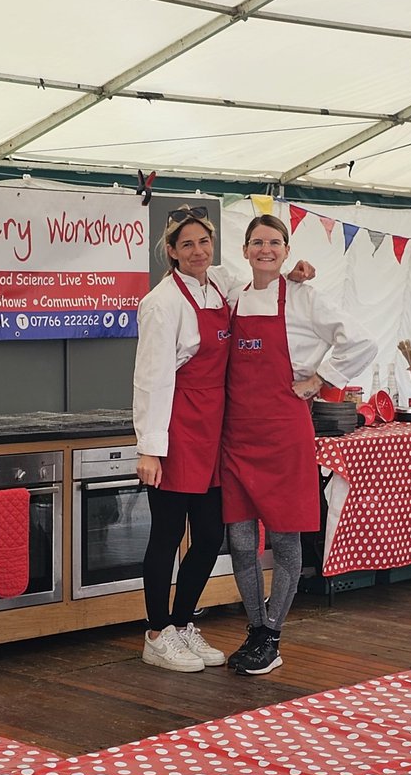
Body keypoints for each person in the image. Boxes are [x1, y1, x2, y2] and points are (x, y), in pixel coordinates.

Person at [132, 205, 314, 673]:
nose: (198, 251)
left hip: (217, 429)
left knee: (212, 535)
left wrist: (293, 270)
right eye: (187, 244)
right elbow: (150, 378)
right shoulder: (161, 302)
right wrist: (150, 446)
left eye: (204, 242)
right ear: (170, 251)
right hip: (176, 427)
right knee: (167, 535)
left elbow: (261, 279)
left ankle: (182, 622)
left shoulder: (220, 284)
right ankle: (157, 632)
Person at [221, 214, 377, 676]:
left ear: (287, 250)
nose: (265, 249)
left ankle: (271, 634)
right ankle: (255, 628)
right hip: (237, 435)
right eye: (256, 242)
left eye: (274, 243)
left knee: (287, 538)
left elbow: (362, 341)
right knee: (241, 539)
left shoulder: (305, 297)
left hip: (284, 432)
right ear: (245, 250)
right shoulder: (233, 295)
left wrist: (322, 379)